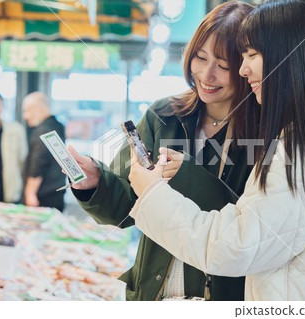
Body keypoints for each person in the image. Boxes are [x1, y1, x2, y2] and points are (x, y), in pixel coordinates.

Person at [127, 0, 305, 300]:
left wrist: (152, 194)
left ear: (286, 55)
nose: (243, 69)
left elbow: (235, 246)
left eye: (250, 55)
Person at [68, 1, 259, 301]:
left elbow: (248, 227)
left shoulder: (264, 134)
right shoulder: (164, 115)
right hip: (151, 293)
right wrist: (94, 183)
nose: (207, 75)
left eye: (223, 66)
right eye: (200, 57)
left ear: (247, 68)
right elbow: (125, 208)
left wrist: (186, 176)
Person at [23, 92, 66, 212]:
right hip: (56, 192)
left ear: (38, 108)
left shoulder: (43, 130)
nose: (25, 116)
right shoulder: (57, 126)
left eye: (27, 110)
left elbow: (39, 163)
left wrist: (30, 193)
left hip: (43, 195)